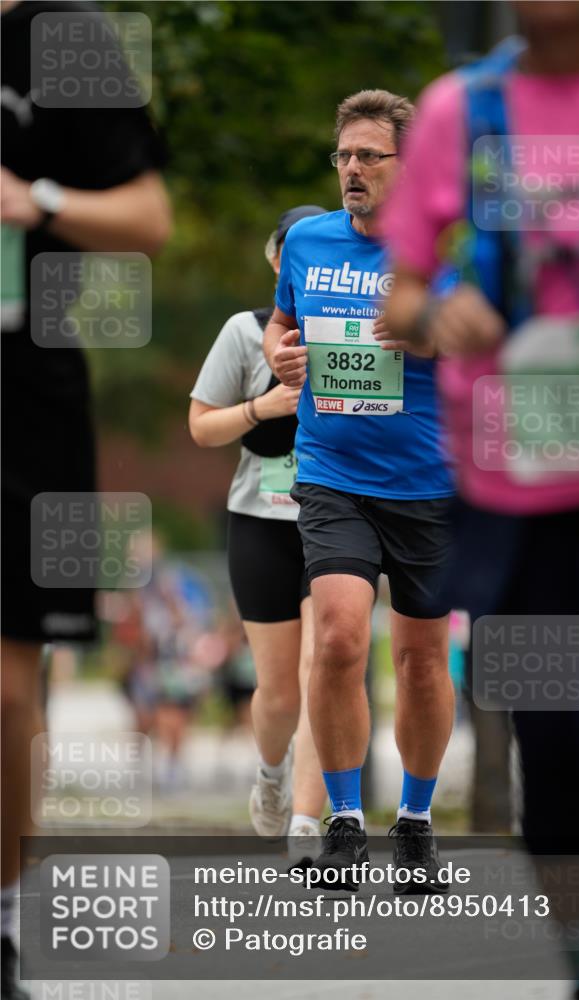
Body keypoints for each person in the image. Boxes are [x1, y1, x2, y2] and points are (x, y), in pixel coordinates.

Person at [382, 2, 579, 997]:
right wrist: (436, 308)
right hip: (509, 483)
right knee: (550, 751)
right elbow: (400, 298)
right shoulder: (462, 110)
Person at [1, 2, 171, 997]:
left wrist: (38, 198)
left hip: (27, 406)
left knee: (9, 695)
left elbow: (148, 219)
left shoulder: (62, 37)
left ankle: (8, 922)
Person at [264, 90, 457, 892]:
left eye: (368, 157)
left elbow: (487, 342)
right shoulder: (307, 240)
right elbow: (281, 326)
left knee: (418, 660)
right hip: (331, 474)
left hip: (428, 480)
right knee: (339, 636)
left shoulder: (445, 249)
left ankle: (413, 823)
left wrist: (426, 332)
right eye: (343, 155)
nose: (351, 169)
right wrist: (279, 357)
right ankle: (342, 825)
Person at [189, 205, 328, 865]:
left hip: (338, 521)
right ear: (277, 261)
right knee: (277, 690)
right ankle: (271, 773)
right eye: (290, 252)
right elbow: (201, 427)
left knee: (322, 670)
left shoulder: (352, 328)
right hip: (259, 522)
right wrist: (261, 408)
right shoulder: (244, 333)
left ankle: (306, 823)